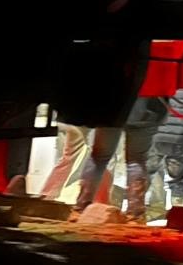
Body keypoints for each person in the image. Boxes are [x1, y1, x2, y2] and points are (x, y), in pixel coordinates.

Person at [72, 94, 169, 222]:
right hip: (147, 109)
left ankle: (80, 209)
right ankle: (135, 215)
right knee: (136, 160)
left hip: (112, 107)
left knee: (99, 157)